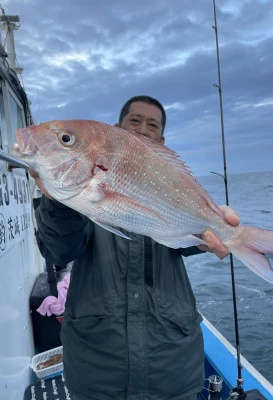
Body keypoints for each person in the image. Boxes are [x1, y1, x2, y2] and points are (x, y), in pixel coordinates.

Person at [31, 95, 239, 400]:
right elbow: (59, 252)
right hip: (97, 376)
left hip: (172, 371)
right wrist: (55, 200)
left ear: (162, 140)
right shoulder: (84, 192)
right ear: (116, 130)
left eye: (152, 125)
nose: (143, 129)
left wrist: (215, 231)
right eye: (135, 121)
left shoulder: (169, 184)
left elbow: (191, 239)